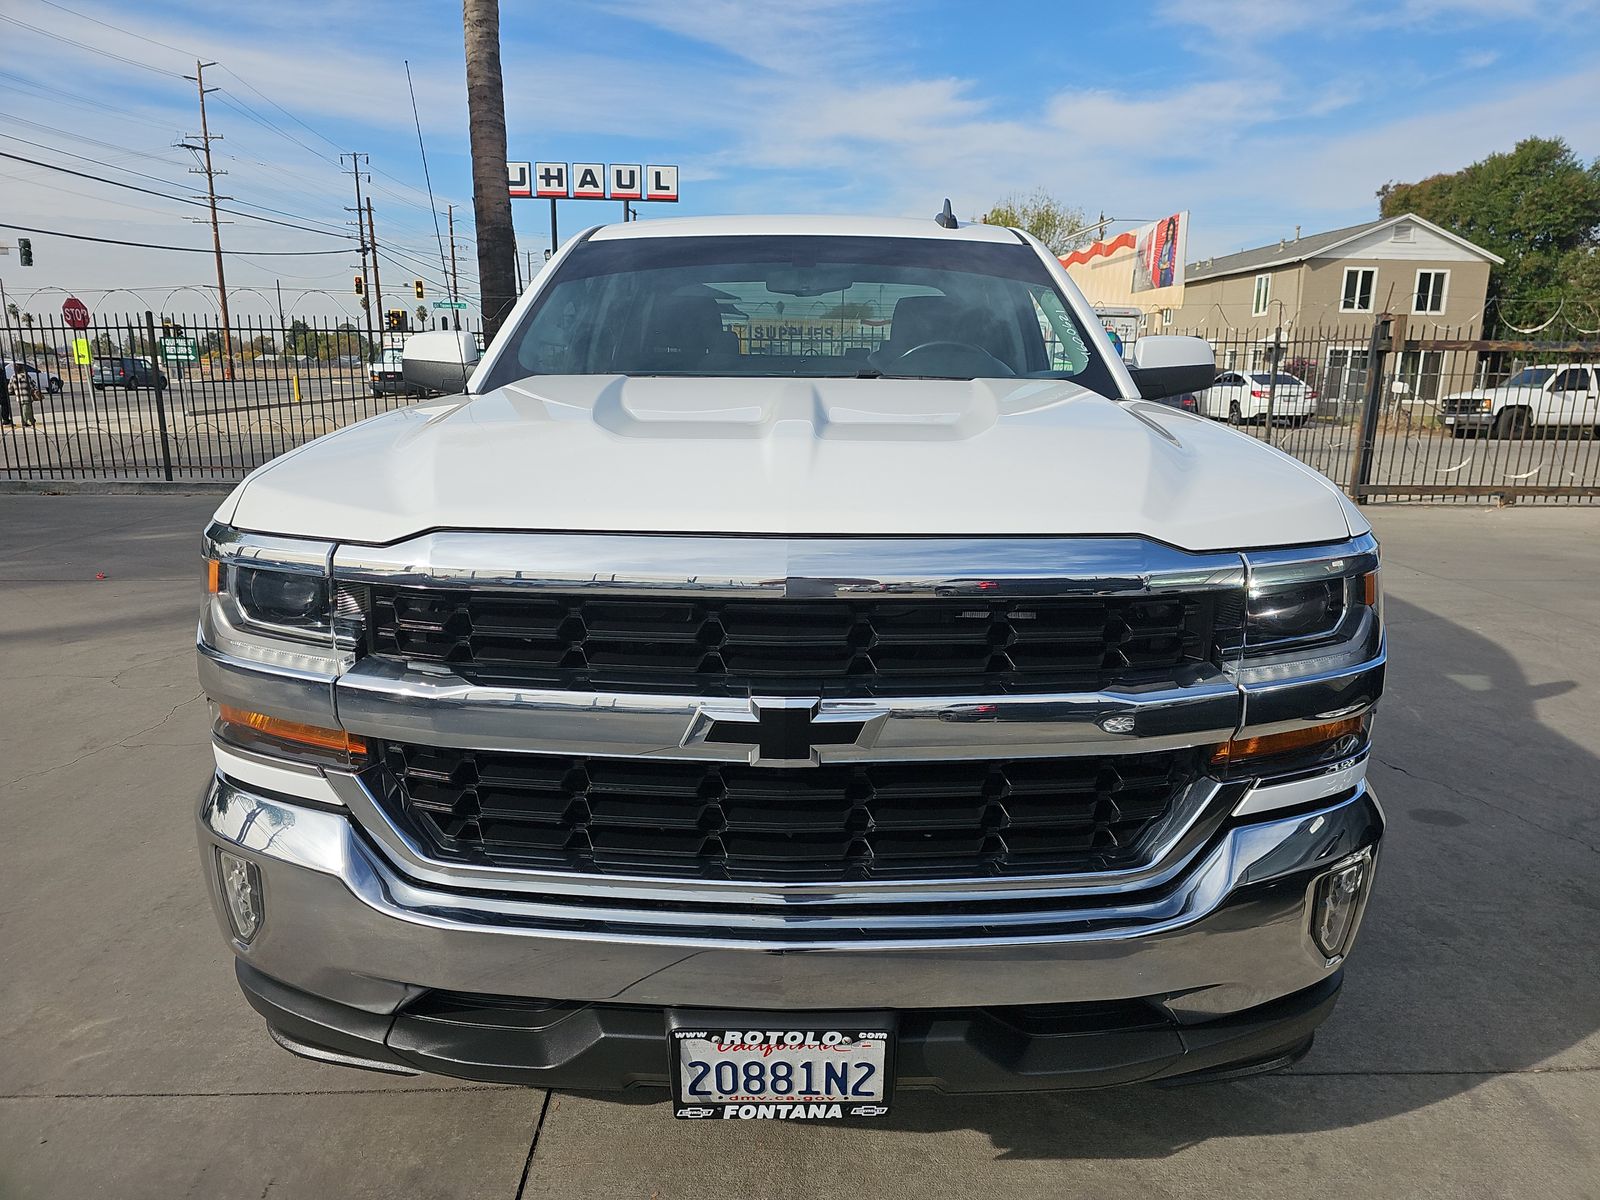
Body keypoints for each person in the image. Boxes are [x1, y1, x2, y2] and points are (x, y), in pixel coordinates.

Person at [0, 362, 13, 427]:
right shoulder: (2, 373)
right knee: (5, 406)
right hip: (2, 392)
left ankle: (5, 419)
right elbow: (3, 382)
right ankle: (5, 420)